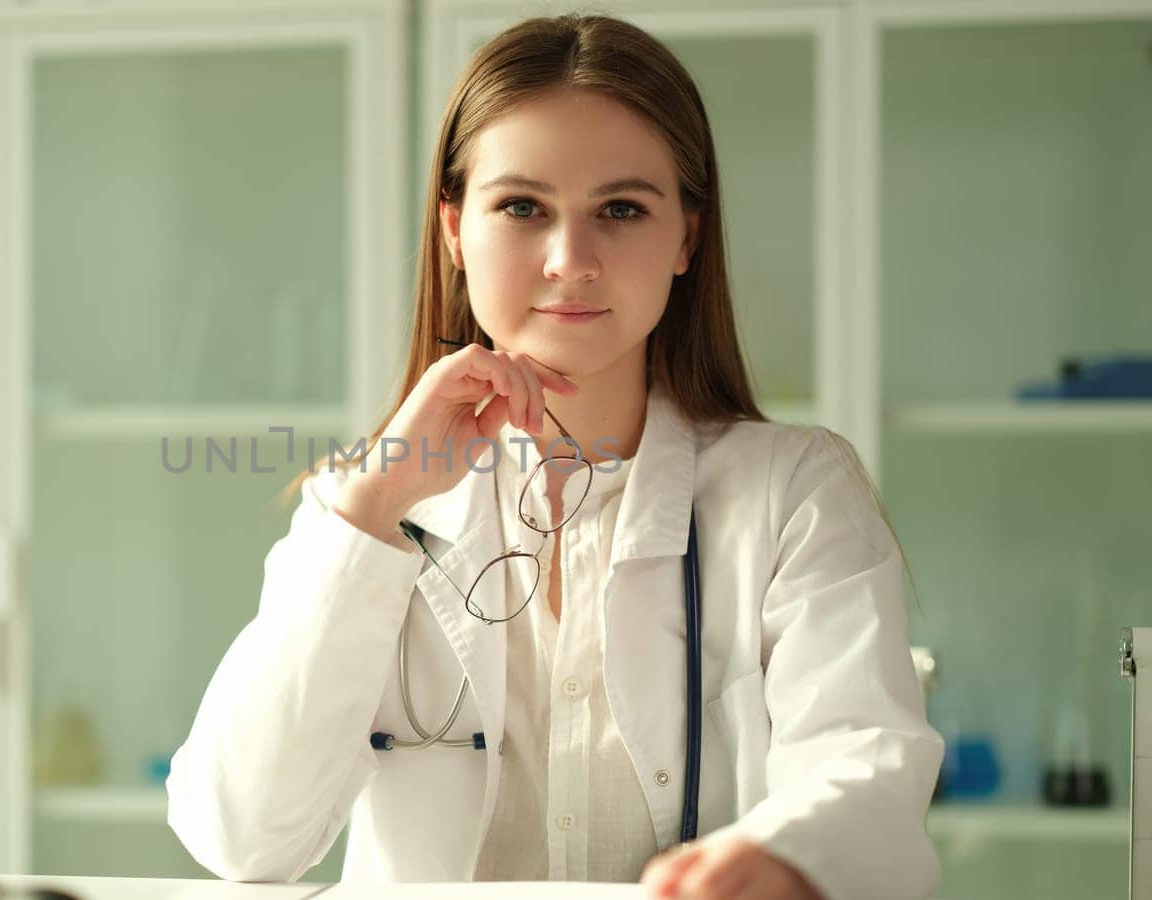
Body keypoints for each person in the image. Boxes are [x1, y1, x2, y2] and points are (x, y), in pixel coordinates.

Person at [167, 13, 942, 900]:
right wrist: (376, 503)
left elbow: (867, 772)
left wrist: (787, 857)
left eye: (621, 209)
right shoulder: (365, 507)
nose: (571, 261)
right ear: (455, 230)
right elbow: (242, 837)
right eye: (523, 207)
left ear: (687, 237)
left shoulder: (793, 493)